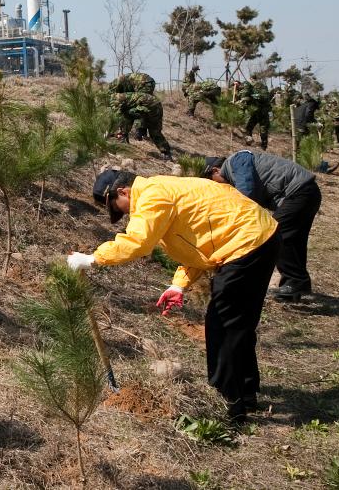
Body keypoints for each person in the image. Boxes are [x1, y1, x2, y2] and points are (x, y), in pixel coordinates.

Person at [67, 169, 278, 420]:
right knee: (238, 323)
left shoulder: (151, 195)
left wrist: (92, 258)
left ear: (123, 191)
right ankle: (245, 392)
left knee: (222, 324)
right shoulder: (166, 191)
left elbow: (138, 242)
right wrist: (179, 285)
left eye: (118, 207)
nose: (125, 214)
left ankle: (228, 403)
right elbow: (201, 244)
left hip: (245, 244)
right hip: (259, 238)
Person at [204, 151, 321, 301]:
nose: (216, 185)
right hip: (307, 192)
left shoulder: (237, 160)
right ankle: (296, 285)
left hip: (300, 192)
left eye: (212, 180)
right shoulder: (236, 168)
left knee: (276, 233)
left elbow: (246, 192)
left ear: (215, 171)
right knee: (294, 240)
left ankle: (295, 282)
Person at [111, 88, 173, 159]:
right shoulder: (120, 96)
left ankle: (123, 137)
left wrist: (112, 132)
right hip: (156, 104)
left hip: (147, 104)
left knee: (126, 116)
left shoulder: (114, 99)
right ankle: (166, 153)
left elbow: (117, 116)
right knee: (155, 131)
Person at [236, 77, 274, 150]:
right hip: (254, 113)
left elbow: (265, 98)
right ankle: (249, 144)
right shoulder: (247, 89)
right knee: (248, 128)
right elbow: (244, 102)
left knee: (263, 131)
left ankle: (264, 147)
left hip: (263, 113)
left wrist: (255, 96)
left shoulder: (260, 87)